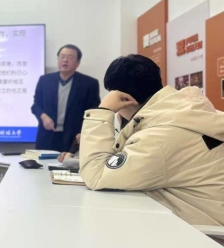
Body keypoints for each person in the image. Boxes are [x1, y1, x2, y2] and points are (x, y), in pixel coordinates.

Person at [79, 54, 224, 227]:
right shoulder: (182, 114)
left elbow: (96, 176)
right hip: (198, 220)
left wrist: (103, 111)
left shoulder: (158, 138)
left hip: (201, 234)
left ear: (124, 99)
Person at [31, 44, 100, 152]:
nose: (65, 60)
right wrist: (43, 116)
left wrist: (84, 132)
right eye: (62, 56)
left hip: (74, 138)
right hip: (47, 136)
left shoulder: (89, 84)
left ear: (77, 63)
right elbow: (36, 106)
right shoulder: (45, 80)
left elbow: (94, 112)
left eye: (70, 57)